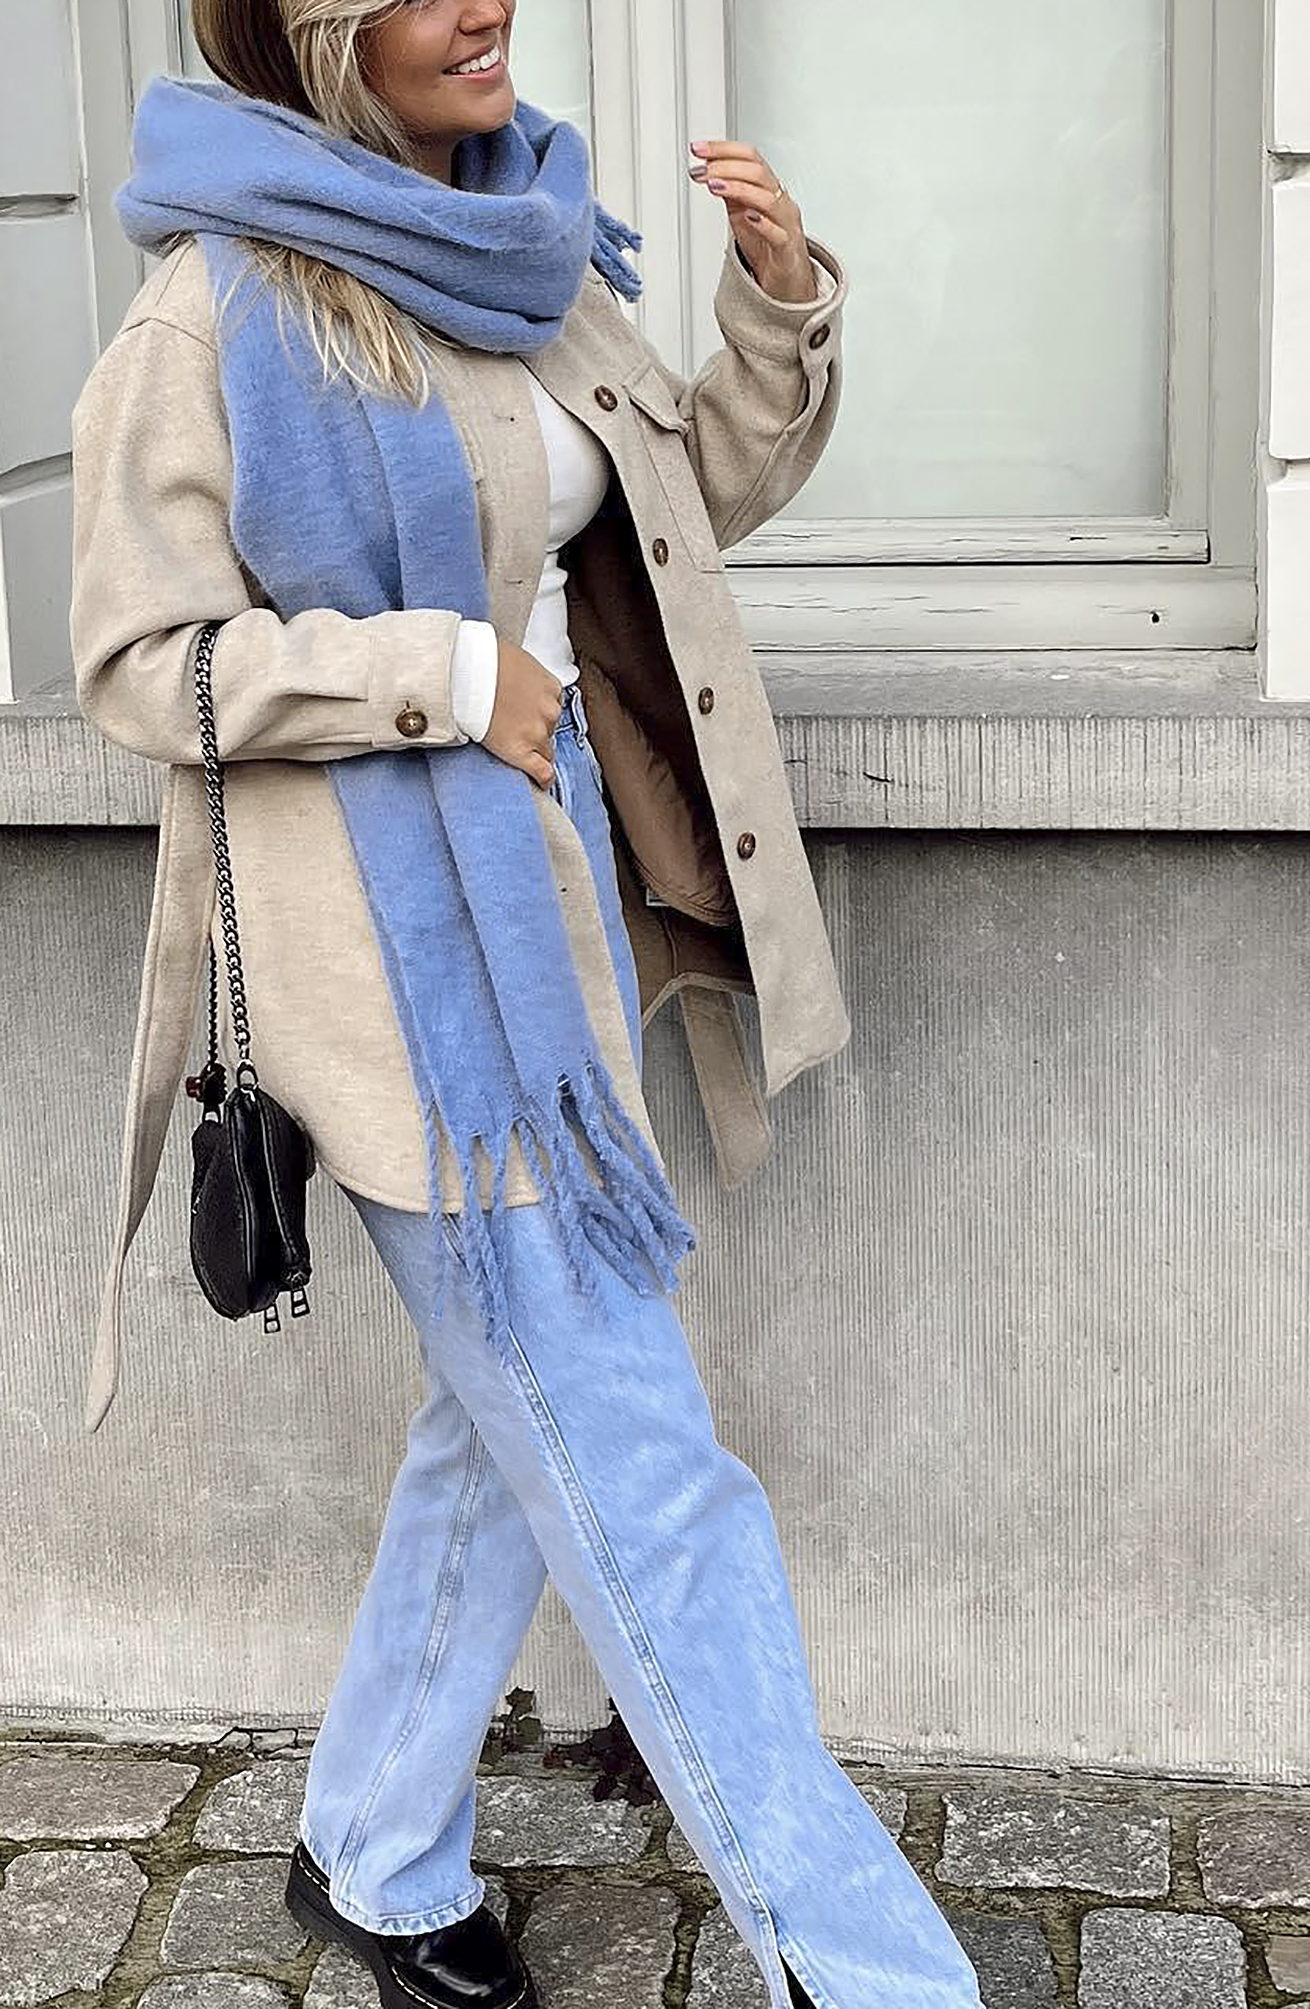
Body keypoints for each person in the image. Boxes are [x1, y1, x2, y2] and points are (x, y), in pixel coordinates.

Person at [68, 5, 985, 2008]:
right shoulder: (217, 308)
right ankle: (877, 1978)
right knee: (648, 1477)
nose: (485, 3)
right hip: (399, 958)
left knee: (515, 1420)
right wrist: (434, 675)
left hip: (556, 905)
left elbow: (669, 502)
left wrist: (774, 314)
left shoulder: (522, 242)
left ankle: (373, 1842)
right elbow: (139, 661)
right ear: (318, 32)